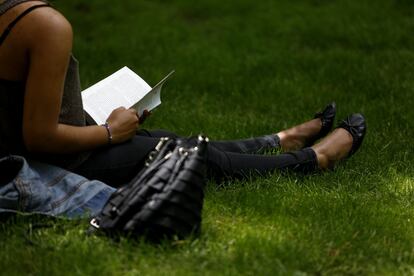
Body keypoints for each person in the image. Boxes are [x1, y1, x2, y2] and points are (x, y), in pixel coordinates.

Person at [0, 0, 366, 189]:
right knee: (184, 154)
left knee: (166, 140)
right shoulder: (44, 25)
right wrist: (111, 132)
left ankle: (279, 140)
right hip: (51, 163)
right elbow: (41, 137)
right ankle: (312, 160)